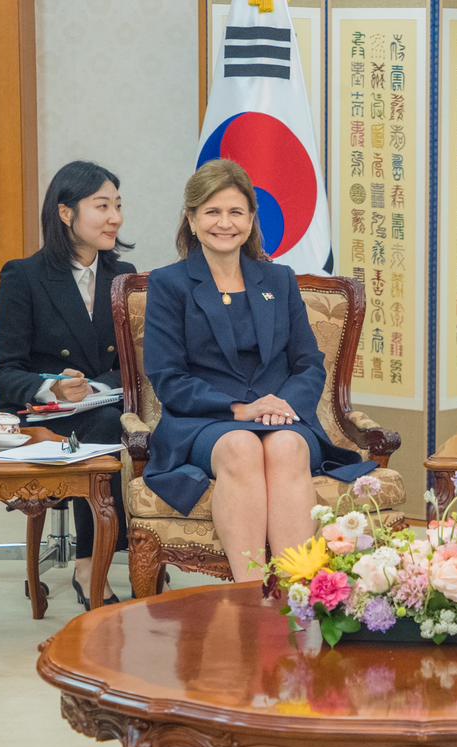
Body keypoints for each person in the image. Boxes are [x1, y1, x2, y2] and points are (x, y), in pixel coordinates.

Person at [143, 159, 376, 581]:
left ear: (251, 219)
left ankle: (294, 591)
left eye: (236, 212)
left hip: (281, 414)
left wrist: (282, 405)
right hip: (207, 421)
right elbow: (168, 377)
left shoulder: (278, 280)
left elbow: (308, 362)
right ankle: (249, 595)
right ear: (192, 220)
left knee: (287, 447)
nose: (225, 223)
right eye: (212, 212)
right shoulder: (169, 284)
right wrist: (239, 409)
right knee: (241, 447)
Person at [0, 160, 132, 609]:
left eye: (118, 206)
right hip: (40, 414)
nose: (115, 218)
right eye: (102, 206)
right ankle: (90, 564)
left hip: (102, 404)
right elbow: (4, 371)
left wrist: (94, 387)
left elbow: (134, 366)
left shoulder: (124, 277)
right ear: (66, 213)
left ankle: (134, 549)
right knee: (110, 426)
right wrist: (52, 388)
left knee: (126, 421)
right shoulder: (24, 276)